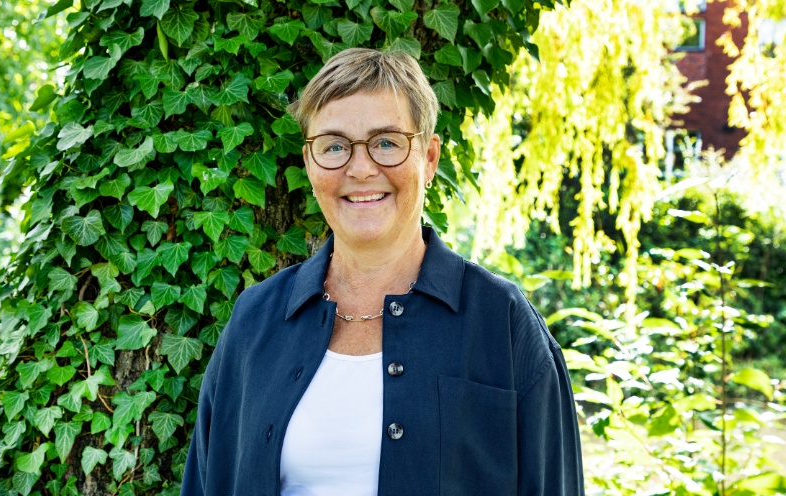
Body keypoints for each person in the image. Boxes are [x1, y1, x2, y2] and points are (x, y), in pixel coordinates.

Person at [181, 48, 584, 495]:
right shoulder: (256, 319)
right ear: (310, 164)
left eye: (386, 142)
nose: (360, 168)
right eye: (334, 146)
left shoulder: (502, 322)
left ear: (428, 159)